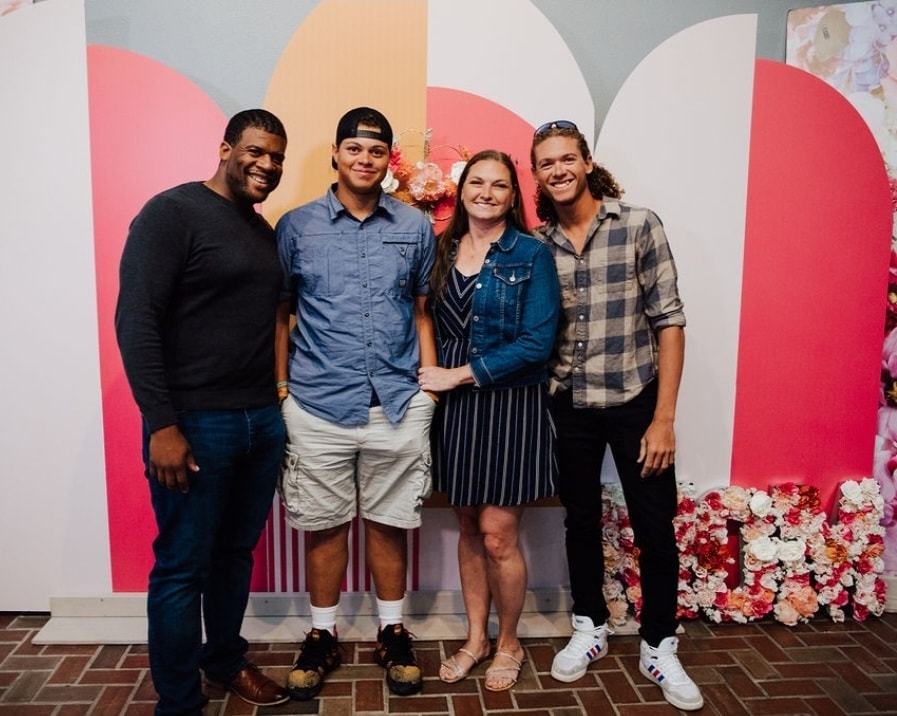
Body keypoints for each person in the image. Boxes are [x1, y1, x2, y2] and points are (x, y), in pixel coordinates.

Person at [115, 109, 291, 715]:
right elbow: (134, 320)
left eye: (277, 158)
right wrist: (162, 424)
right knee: (182, 567)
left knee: (233, 556)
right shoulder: (172, 213)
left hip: (258, 422)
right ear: (225, 148)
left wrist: (277, 399)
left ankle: (224, 662)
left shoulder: (260, 230)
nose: (267, 165)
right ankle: (180, 703)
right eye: (257, 151)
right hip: (194, 425)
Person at [530, 121, 703, 711]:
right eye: (546, 163)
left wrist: (664, 418)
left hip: (635, 403)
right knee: (579, 521)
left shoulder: (637, 225)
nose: (558, 170)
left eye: (567, 158)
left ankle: (658, 642)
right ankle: (590, 625)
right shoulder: (537, 244)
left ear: (586, 162)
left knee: (654, 527)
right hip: (569, 406)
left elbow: (670, 322)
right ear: (536, 175)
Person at [275, 106, 438, 700]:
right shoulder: (296, 226)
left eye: (375, 151)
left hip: (395, 400)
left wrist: (424, 389)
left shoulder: (415, 227)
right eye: (353, 149)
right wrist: (282, 390)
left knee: (391, 522)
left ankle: (391, 632)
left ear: (387, 160)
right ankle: (323, 636)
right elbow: (281, 311)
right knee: (323, 525)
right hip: (317, 402)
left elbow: (421, 309)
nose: (363, 159)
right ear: (336, 156)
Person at [418, 150, 560, 692]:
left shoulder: (531, 254)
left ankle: (510, 642)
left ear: (511, 195)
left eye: (498, 185)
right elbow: (422, 318)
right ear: (462, 190)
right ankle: (476, 638)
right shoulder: (442, 249)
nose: (486, 192)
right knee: (468, 529)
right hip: (454, 414)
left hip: (508, 405)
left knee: (499, 535)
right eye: (476, 182)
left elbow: (536, 343)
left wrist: (459, 375)